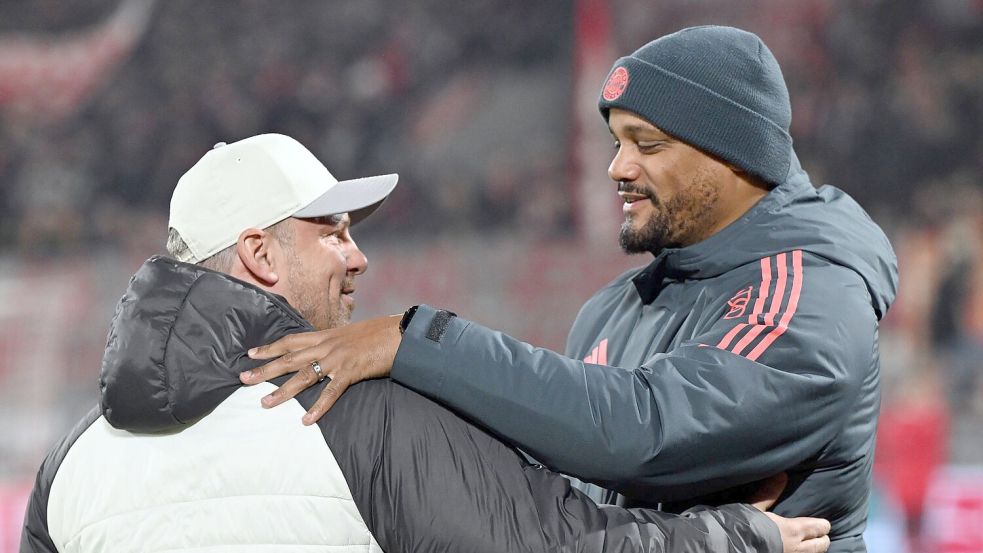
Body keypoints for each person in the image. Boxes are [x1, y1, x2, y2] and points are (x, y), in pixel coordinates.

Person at [240, 26, 898, 553]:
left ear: (734, 156)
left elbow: (643, 430)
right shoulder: (612, 309)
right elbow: (568, 510)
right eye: (615, 141)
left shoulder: (809, 287)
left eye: (647, 143)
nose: (617, 167)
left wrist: (416, 340)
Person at [21, 133, 831, 553]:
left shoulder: (71, 462)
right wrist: (731, 536)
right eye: (331, 230)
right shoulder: (356, 411)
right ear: (260, 255)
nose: (357, 253)